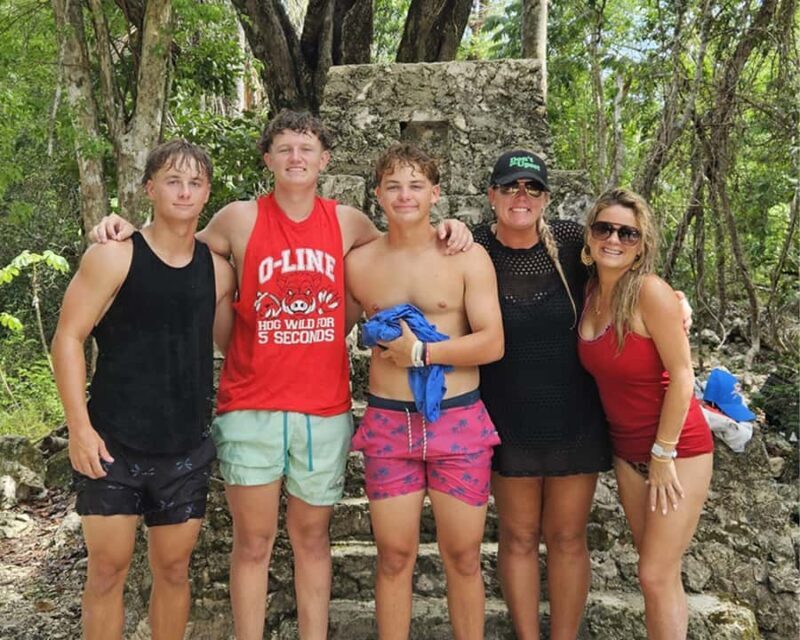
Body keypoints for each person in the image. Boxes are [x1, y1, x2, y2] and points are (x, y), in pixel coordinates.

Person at [89, 111, 472, 640]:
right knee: (253, 542)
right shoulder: (237, 219)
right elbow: (173, 246)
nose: (296, 158)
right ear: (267, 159)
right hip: (251, 406)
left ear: (325, 160)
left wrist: (453, 227)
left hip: (323, 407)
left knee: (313, 540)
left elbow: (404, 241)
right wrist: (124, 229)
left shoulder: (349, 224)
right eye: (285, 148)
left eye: (306, 148)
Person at [51, 140, 236, 640]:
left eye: (195, 183)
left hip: (185, 447)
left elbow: (234, 343)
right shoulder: (113, 256)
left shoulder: (218, 272)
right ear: (150, 187)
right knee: (107, 570)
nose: (184, 192)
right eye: (173, 181)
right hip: (112, 442)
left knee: (174, 570)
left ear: (207, 194)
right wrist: (80, 429)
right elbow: (67, 338)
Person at [346, 143, 504, 640]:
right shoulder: (358, 262)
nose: (404, 195)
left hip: (458, 420)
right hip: (389, 423)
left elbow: (492, 342)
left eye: (416, 185)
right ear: (377, 194)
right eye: (393, 186)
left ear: (435, 194)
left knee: (464, 556)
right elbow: (328, 329)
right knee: (394, 556)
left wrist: (420, 352)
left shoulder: (466, 256)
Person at [473, 151, 612, 640]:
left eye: (532, 187)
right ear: (491, 195)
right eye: (510, 186)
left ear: (547, 198)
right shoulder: (473, 247)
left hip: (574, 418)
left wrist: (672, 299)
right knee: (517, 537)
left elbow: (623, 273)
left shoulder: (573, 242)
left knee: (568, 537)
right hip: (506, 418)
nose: (521, 196)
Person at [577, 188, 713, 638]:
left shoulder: (650, 293)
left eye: (628, 233)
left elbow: (684, 375)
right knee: (659, 573)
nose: (614, 239)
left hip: (676, 450)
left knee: (654, 573)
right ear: (589, 235)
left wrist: (663, 453)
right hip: (626, 451)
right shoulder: (590, 291)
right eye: (604, 228)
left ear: (642, 244)